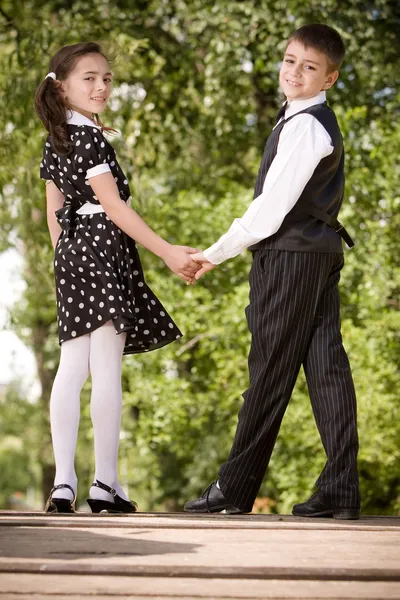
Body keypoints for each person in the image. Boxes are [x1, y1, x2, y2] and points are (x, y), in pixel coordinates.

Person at [184, 24, 360, 519]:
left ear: (329, 78)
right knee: (326, 370)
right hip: (318, 254)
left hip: (290, 258)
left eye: (310, 67)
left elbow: (271, 210)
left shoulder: (305, 126)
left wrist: (213, 254)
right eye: (289, 60)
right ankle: (341, 489)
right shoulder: (304, 120)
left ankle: (234, 489)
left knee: (267, 373)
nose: (295, 72)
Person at [35, 42, 200, 514]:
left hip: (70, 252)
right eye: (89, 78)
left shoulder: (57, 137)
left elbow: (54, 212)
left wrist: (66, 259)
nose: (102, 86)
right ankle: (103, 483)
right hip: (102, 249)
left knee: (72, 367)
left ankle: (63, 482)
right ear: (62, 86)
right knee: (105, 367)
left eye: (106, 78)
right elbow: (115, 207)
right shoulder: (90, 140)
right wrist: (168, 251)